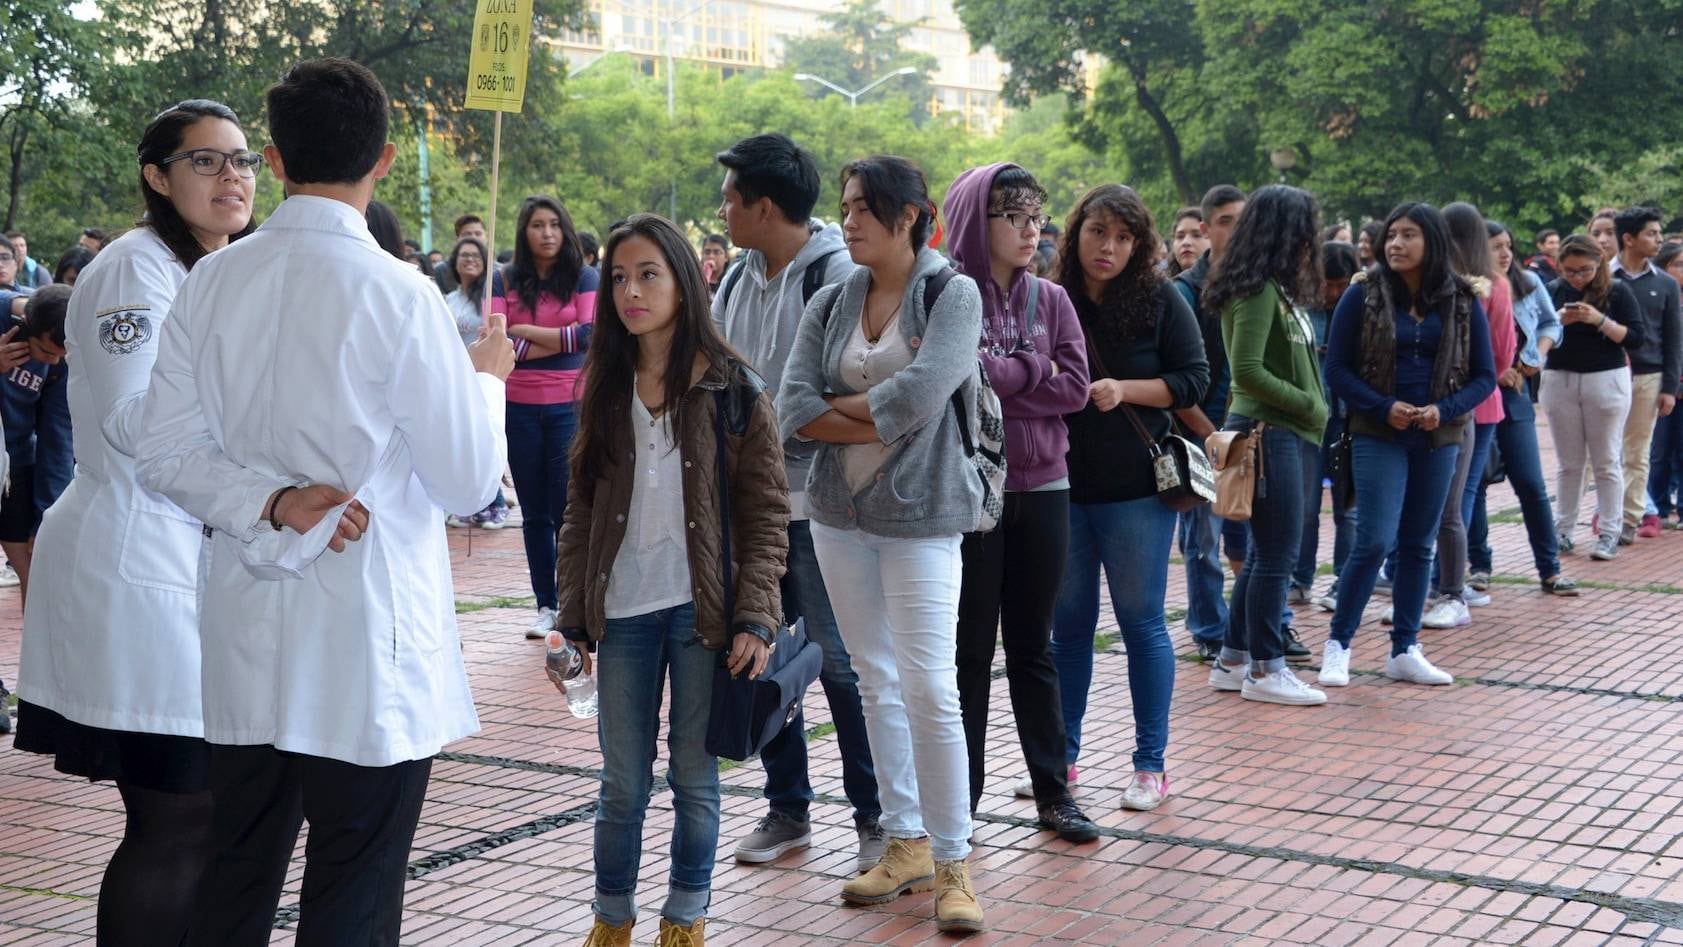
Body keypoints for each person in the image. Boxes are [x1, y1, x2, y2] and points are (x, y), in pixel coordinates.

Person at [133, 59, 514, 945]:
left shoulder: (211, 283)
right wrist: (484, 383)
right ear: (382, 160)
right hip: (362, 638)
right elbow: (464, 482)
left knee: (238, 873)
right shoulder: (399, 293)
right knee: (355, 882)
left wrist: (267, 500)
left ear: (272, 157)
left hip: (248, 628)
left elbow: (163, 449)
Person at [13, 98, 257, 942]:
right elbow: (133, 420)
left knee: (201, 816)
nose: (232, 176)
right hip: (138, 558)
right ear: (157, 177)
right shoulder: (133, 268)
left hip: (190, 561)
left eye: (242, 160)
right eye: (206, 161)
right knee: (176, 817)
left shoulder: (218, 265)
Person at [560, 214, 788, 947]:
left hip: (704, 616)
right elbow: (580, 511)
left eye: (648, 273)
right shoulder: (602, 384)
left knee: (695, 779)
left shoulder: (733, 388)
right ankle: (611, 919)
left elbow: (765, 516)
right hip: (622, 613)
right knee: (622, 783)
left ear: (684, 283)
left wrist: (756, 616)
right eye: (619, 276)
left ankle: (684, 919)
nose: (630, 289)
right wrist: (571, 618)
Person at [778, 155, 986, 934]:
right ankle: (903, 841)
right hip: (837, 513)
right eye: (846, 205)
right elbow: (790, 405)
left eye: (864, 206)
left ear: (909, 215)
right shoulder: (833, 297)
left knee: (930, 683)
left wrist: (843, 410)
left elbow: (926, 394)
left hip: (924, 516)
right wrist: (864, 412)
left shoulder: (950, 292)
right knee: (873, 676)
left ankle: (954, 859)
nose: (849, 219)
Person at [708, 134, 884, 872]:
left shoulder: (838, 278)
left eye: (729, 198)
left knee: (841, 665)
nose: (722, 209)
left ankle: (876, 817)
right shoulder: (734, 279)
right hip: (749, 507)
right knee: (760, 654)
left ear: (765, 206)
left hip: (821, 505)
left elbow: (846, 390)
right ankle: (788, 807)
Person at [944, 163, 1099, 837]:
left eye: (1037, 217)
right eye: (1015, 217)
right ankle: (960, 801)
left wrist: (1013, 372)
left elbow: (1075, 387)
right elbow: (957, 383)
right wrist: (1037, 370)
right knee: (969, 650)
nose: (1031, 230)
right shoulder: (949, 293)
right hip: (973, 491)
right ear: (979, 221)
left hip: (1044, 487)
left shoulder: (1054, 300)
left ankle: (1052, 792)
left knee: (1034, 646)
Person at [1050, 183, 1206, 802]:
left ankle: (1150, 764)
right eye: (1097, 233)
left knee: (1142, 625)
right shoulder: (1049, 296)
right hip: (1058, 488)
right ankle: (1060, 759)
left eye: (1122, 237)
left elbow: (1193, 380)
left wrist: (1125, 388)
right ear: (1076, 232)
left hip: (1137, 492)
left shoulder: (1161, 299)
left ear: (1138, 244)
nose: (1107, 248)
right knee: (1068, 629)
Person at [1321, 202, 1496, 689]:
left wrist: (1447, 407)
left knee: (1420, 543)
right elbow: (1336, 370)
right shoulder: (1363, 294)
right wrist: (1381, 406)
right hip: (1379, 432)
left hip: (1440, 434)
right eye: (1392, 234)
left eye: (1408, 235)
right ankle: (1338, 644)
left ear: (1433, 242)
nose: (1395, 243)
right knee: (1375, 538)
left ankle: (1404, 648)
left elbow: (1485, 376)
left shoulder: (1463, 299)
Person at [1201, 185, 1329, 704]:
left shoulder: (1273, 288)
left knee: (1262, 555)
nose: (1310, 242)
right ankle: (1266, 670)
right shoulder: (1255, 291)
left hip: (1281, 433)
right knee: (1277, 555)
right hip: (1266, 433)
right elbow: (1247, 371)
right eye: (1305, 230)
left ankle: (1234, 661)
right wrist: (1310, 405)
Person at [1174, 186, 1281, 660]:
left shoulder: (1260, 284)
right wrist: (1206, 432)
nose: (1235, 231)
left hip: (1252, 428)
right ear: (1205, 229)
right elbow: (1174, 377)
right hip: (1202, 428)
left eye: (1243, 220)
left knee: (1261, 536)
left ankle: (1266, 624)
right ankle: (1210, 630)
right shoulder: (1184, 291)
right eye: (1225, 221)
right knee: (1203, 541)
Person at [494, 195, 598, 639]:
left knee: (567, 508)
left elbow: (591, 334)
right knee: (534, 513)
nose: (548, 233)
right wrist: (561, 339)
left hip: (567, 407)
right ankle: (545, 603)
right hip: (518, 408)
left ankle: (575, 600)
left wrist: (526, 332)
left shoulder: (584, 276)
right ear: (525, 231)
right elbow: (498, 340)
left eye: (555, 223)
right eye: (538, 224)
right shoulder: (504, 279)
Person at [1412, 202, 1514, 629]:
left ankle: (1448, 583)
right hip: (1475, 401)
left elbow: (1502, 354)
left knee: (1458, 498)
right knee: (1455, 497)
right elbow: (1504, 355)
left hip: (1472, 405)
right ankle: (1442, 582)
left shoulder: (1485, 288)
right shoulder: (1470, 286)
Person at [1467, 220, 1575, 594]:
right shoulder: (1466, 289)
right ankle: (1478, 564)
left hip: (1514, 395)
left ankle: (1550, 568)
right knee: (1474, 483)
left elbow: (1550, 323)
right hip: (1476, 395)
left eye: (1508, 245)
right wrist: (1494, 372)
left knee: (1530, 482)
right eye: (1495, 246)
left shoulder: (1528, 284)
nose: (1505, 252)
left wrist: (1534, 358)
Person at [1542, 234, 1645, 560]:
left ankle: (1609, 532)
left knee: (1606, 460)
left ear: (1599, 262)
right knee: (1569, 463)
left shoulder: (1617, 290)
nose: (1576, 277)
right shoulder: (1554, 290)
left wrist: (1598, 320)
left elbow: (1636, 338)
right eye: (1569, 271)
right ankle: (1563, 530)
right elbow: (1536, 331)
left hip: (1606, 379)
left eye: (1584, 270)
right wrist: (1558, 318)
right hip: (1560, 378)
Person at [1610, 207, 1682, 542]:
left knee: (1638, 452)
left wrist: (1670, 386)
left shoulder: (1666, 284)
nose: (1658, 239)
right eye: (1651, 233)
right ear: (1628, 239)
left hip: (1649, 377)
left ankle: (1630, 519)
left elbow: (1673, 339)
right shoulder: (1603, 278)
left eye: (1658, 233)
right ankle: (1605, 513)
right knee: (1605, 452)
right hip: (1606, 374)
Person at [0, 285, 73, 607]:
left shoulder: (62, 360)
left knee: (36, 568)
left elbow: (56, 437)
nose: (52, 362)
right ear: (25, 322)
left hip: (15, 458)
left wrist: (47, 516)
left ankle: (35, 656)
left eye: (60, 356)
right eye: (44, 352)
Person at [1301, 241, 1359, 610]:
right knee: (1304, 508)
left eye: (1340, 285)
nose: (1333, 293)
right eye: (1327, 284)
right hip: (1307, 420)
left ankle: (1344, 580)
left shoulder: (1360, 308)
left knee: (1347, 508)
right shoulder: (1301, 311)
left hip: (1349, 419)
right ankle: (1299, 578)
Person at [444, 234, 511, 529]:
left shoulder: (488, 300)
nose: (470, 260)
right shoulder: (448, 299)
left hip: (485, 375)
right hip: (456, 376)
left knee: (484, 433)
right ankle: (468, 505)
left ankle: (494, 502)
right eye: (464, 256)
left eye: (475, 256)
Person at [1649, 241, 1683, 528]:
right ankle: (1657, 507)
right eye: (1679, 264)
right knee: (1658, 452)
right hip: (1660, 386)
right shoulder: (1657, 297)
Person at [434, 213, 487, 292]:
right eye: (467, 234)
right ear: (457, 239)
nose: (473, 238)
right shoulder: (441, 271)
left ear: (486, 237)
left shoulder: (499, 271)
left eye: (478, 234)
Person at [1167, 207, 1207, 276]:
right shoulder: (1160, 284)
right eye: (1180, 236)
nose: (1186, 242)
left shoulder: (1228, 283)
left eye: (1196, 235)